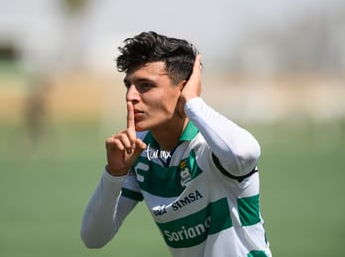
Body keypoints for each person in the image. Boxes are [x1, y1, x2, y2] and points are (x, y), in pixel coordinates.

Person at [80, 31, 272, 257]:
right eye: (129, 85)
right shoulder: (140, 153)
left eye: (145, 85)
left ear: (182, 89)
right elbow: (93, 237)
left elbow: (245, 153)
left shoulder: (213, 146)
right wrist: (114, 174)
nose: (130, 96)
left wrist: (192, 103)